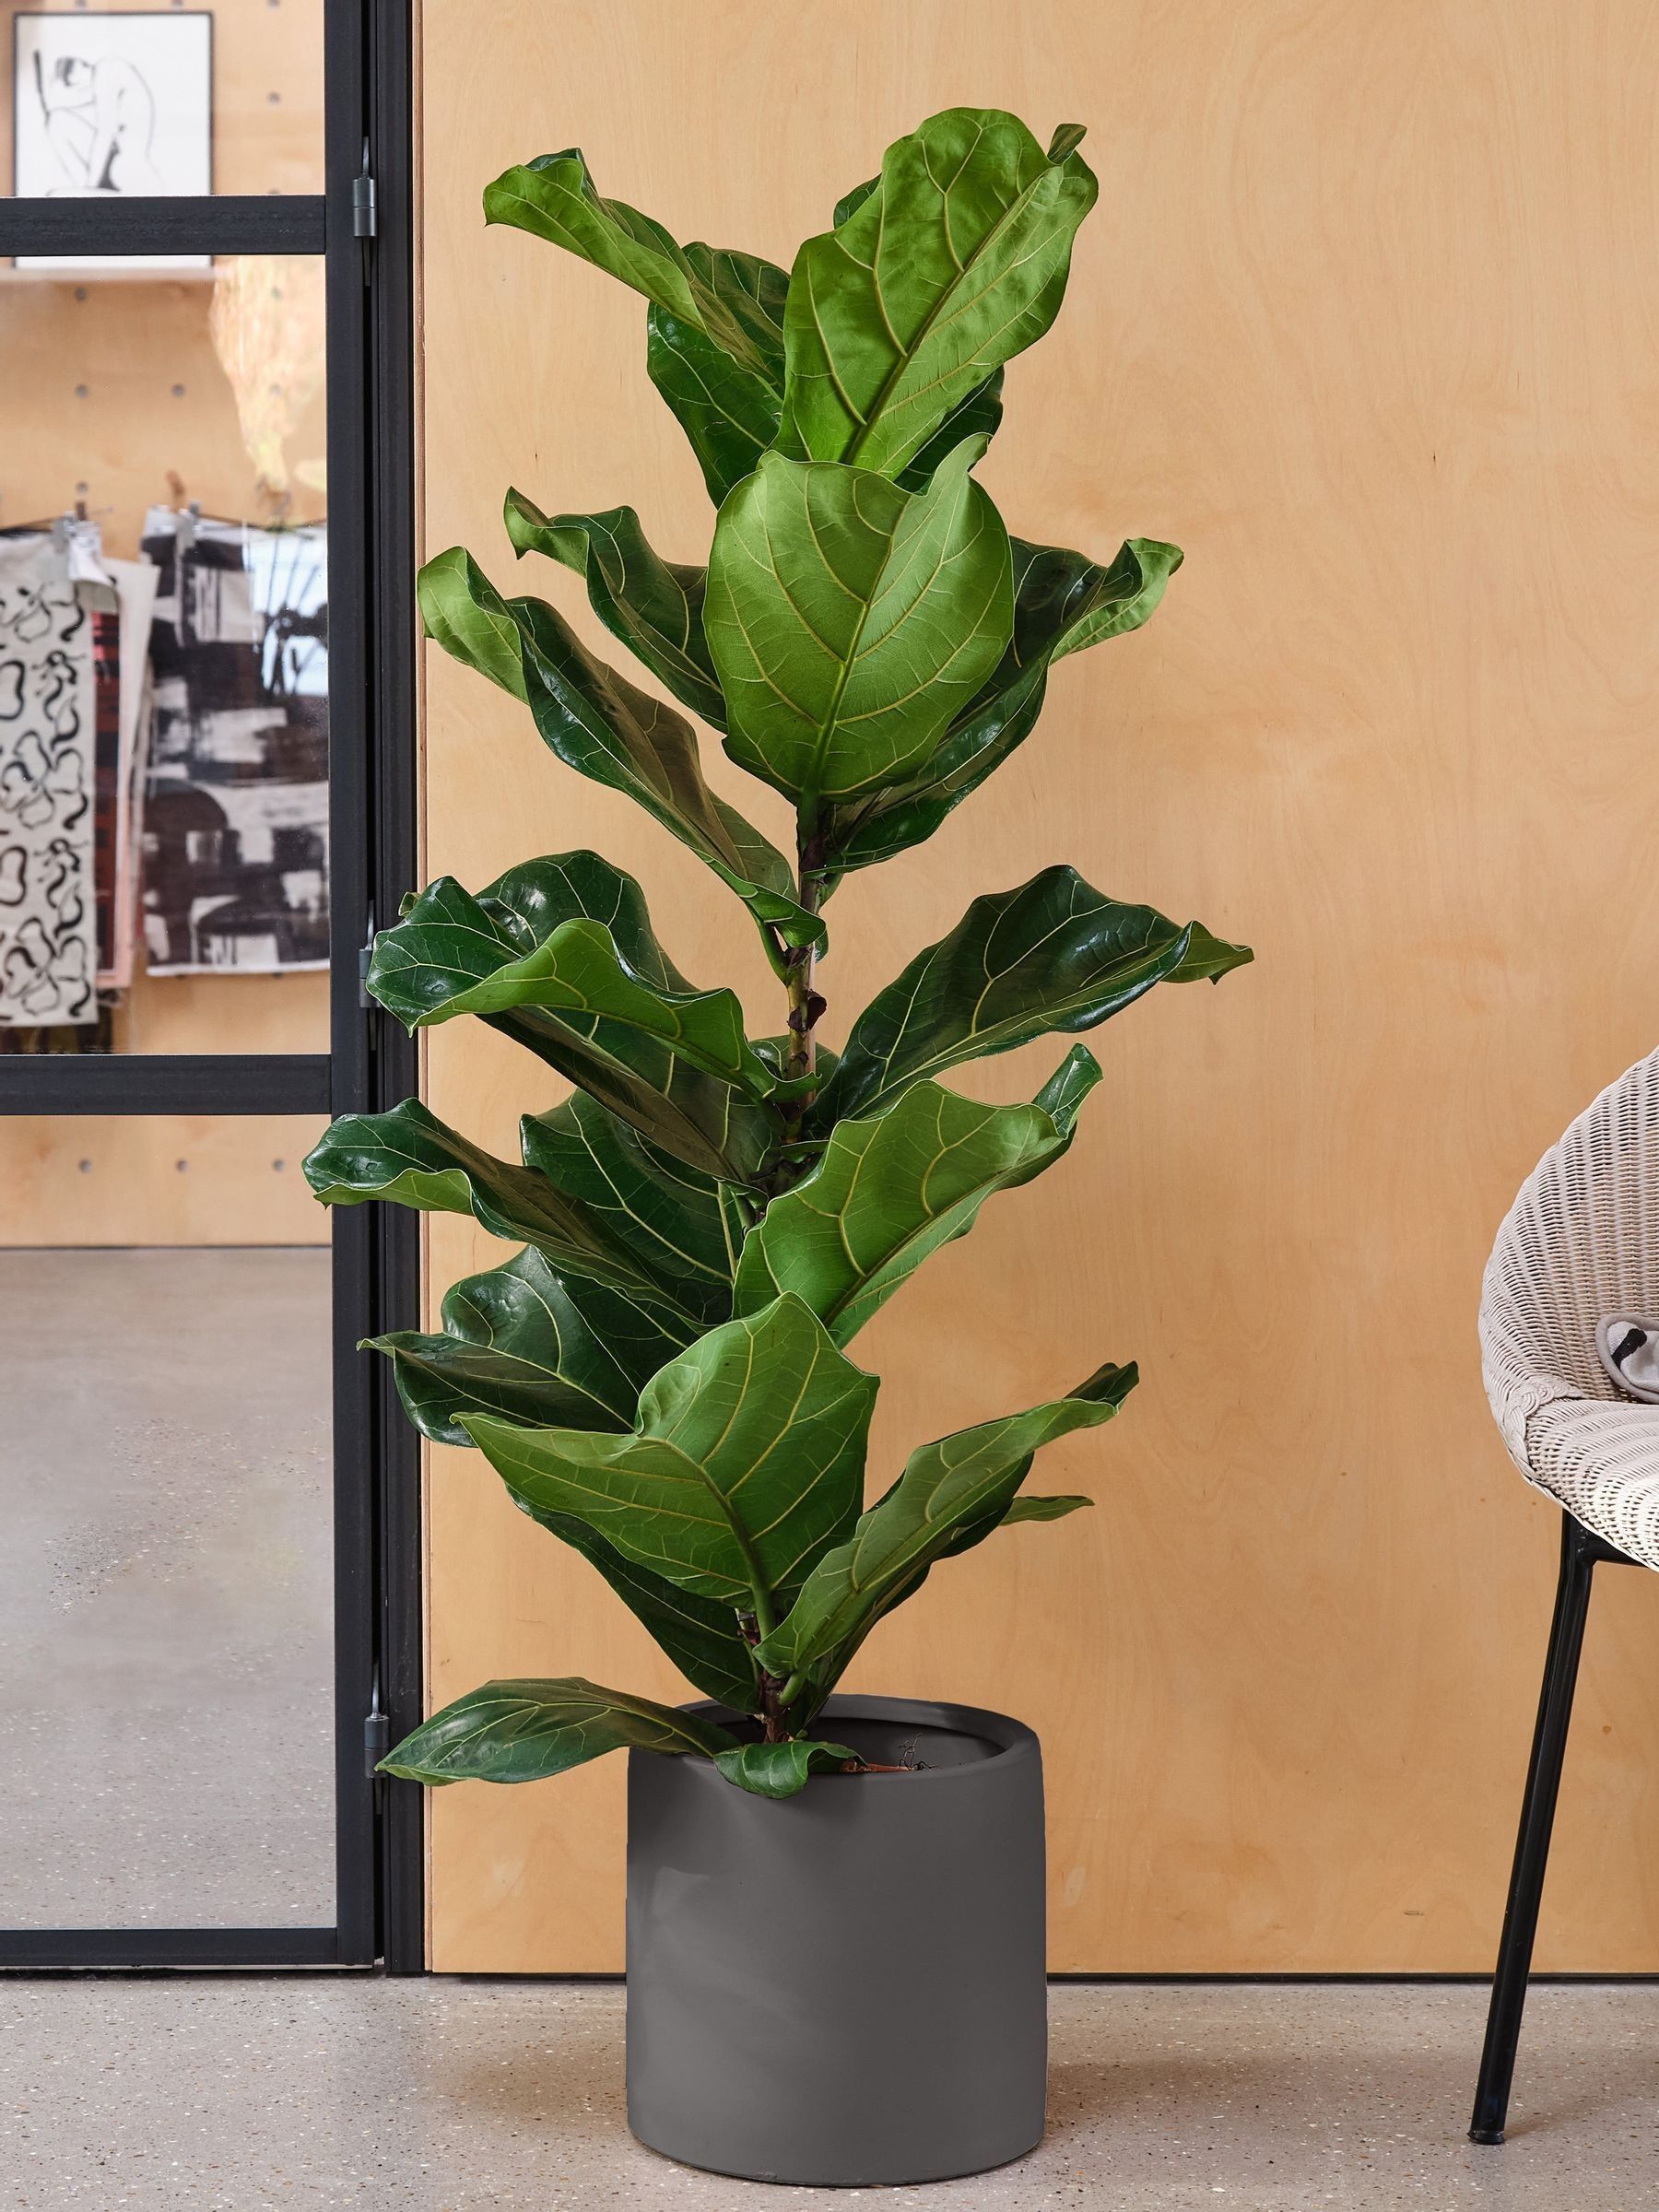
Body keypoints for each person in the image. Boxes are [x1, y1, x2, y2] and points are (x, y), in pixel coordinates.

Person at [33, 50, 164, 196]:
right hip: (118, 164)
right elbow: (75, 106)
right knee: (56, 121)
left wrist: (89, 189)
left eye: (71, 83)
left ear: (76, 69)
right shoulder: (104, 80)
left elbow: (106, 133)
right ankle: (88, 191)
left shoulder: (107, 71)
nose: (75, 88)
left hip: (127, 170)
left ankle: (89, 193)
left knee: (58, 195)